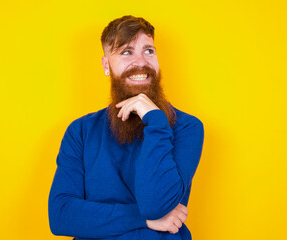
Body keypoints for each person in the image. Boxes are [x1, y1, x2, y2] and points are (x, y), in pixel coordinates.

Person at [48, 15, 204, 240]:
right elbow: (61, 216)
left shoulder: (186, 127)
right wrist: (143, 220)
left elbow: (155, 204)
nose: (141, 62)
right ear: (106, 65)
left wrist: (156, 120)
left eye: (149, 51)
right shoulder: (81, 131)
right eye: (126, 52)